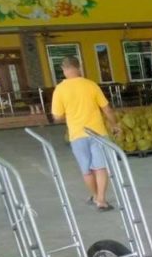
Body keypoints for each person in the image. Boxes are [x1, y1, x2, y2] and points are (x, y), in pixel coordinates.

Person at [50, 55, 120, 211]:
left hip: (77, 135)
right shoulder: (91, 85)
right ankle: (101, 200)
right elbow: (107, 109)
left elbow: (57, 116)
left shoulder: (60, 90)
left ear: (63, 69)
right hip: (98, 133)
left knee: (86, 169)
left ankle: (96, 196)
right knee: (100, 167)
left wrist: (70, 115)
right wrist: (114, 125)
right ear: (79, 66)